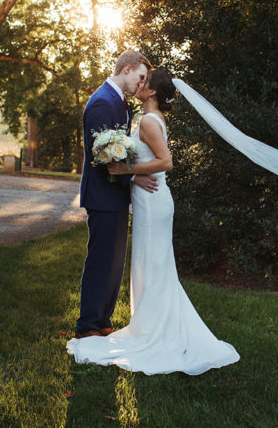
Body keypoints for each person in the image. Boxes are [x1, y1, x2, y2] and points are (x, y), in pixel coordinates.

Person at [68, 69, 240, 375]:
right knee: (153, 263)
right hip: (150, 200)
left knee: (154, 263)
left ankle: (156, 332)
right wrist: (132, 170)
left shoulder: (149, 120)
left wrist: (125, 171)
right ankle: (151, 326)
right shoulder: (151, 117)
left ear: (152, 94)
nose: (140, 83)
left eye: (145, 82)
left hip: (153, 199)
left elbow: (166, 161)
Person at [75, 50, 156, 339]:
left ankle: (103, 320)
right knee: (100, 260)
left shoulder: (121, 103)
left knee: (115, 261)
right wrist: (135, 175)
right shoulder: (101, 102)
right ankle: (87, 326)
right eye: (141, 77)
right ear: (127, 69)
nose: (142, 84)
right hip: (102, 196)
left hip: (116, 195)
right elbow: (104, 157)